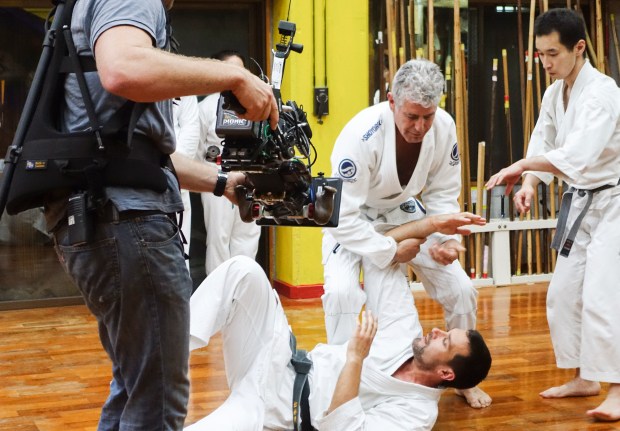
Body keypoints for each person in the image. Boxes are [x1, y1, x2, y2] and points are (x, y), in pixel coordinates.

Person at [49, 1, 278, 429]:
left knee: (135, 388)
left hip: (100, 215)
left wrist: (221, 182)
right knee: (157, 404)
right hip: (128, 221)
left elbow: (138, 154)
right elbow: (122, 69)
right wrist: (235, 74)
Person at [185, 213, 492, 430]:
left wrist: (356, 358)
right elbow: (380, 260)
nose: (436, 330)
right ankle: (164, 359)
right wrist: (426, 229)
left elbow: (341, 428)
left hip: (275, 406)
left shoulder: (415, 414)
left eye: (445, 340)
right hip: (279, 355)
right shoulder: (406, 335)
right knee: (243, 271)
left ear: (445, 373)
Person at [321, 58, 491, 408]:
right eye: (412, 116)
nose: (420, 126)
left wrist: (446, 241)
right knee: (341, 294)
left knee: (462, 290)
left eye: (427, 116)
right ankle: (340, 378)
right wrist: (388, 252)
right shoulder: (360, 134)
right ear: (391, 101)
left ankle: (462, 380)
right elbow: (341, 217)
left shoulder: (442, 127)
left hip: (403, 211)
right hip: (356, 220)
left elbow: (443, 193)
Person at [486, 8, 620, 422]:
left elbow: (578, 155)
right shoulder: (554, 91)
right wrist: (529, 184)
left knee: (602, 295)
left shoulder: (602, 92)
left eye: (553, 53)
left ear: (579, 48)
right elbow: (543, 138)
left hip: (614, 200)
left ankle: (617, 388)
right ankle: (585, 377)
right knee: (562, 294)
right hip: (581, 201)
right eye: (540, 54)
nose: (545, 63)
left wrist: (521, 168)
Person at [197, 50, 262, 276]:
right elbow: (197, 151)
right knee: (219, 238)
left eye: (242, 70)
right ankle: (218, 297)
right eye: (232, 69)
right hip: (217, 177)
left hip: (249, 176)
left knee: (248, 236)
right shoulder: (206, 106)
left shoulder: (253, 103)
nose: (238, 74)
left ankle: (243, 290)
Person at [173, 95, 201, 261]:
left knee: (181, 250)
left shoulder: (184, 87)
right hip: (142, 181)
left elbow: (191, 128)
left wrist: (175, 169)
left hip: (178, 180)